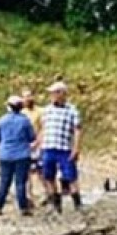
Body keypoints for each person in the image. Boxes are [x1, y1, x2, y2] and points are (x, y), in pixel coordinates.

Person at [38, 81, 82, 213]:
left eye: (55, 93)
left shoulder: (72, 110)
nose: (52, 95)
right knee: (48, 176)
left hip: (64, 148)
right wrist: (39, 145)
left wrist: (76, 147)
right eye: (51, 93)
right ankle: (56, 204)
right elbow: (43, 128)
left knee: (71, 176)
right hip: (48, 147)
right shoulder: (46, 111)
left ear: (62, 94)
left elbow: (78, 129)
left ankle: (77, 204)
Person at [0, 96, 36, 216]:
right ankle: (23, 207)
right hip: (22, 154)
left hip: (5, 154)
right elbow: (32, 137)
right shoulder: (25, 120)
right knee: (20, 182)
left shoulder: (1, 120)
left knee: (4, 181)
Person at [21, 89, 43, 205]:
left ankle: (47, 193)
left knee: (41, 170)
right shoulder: (21, 113)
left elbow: (43, 128)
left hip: (38, 144)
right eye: (25, 97)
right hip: (25, 146)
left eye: (29, 96)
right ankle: (29, 196)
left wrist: (38, 142)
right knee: (27, 172)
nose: (27, 99)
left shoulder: (40, 111)